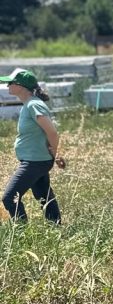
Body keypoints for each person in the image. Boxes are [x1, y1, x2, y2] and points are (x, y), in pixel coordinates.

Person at [1, 68, 63, 224]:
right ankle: (55, 228)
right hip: (35, 159)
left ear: (21, 86)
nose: (7, 85)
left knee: (9, 197)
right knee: (44, 196)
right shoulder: (29, 104)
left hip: (35, 161)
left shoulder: (33, 105)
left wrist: (56, 154)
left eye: (10, 82)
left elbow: (52, 132)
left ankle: (20, 232)